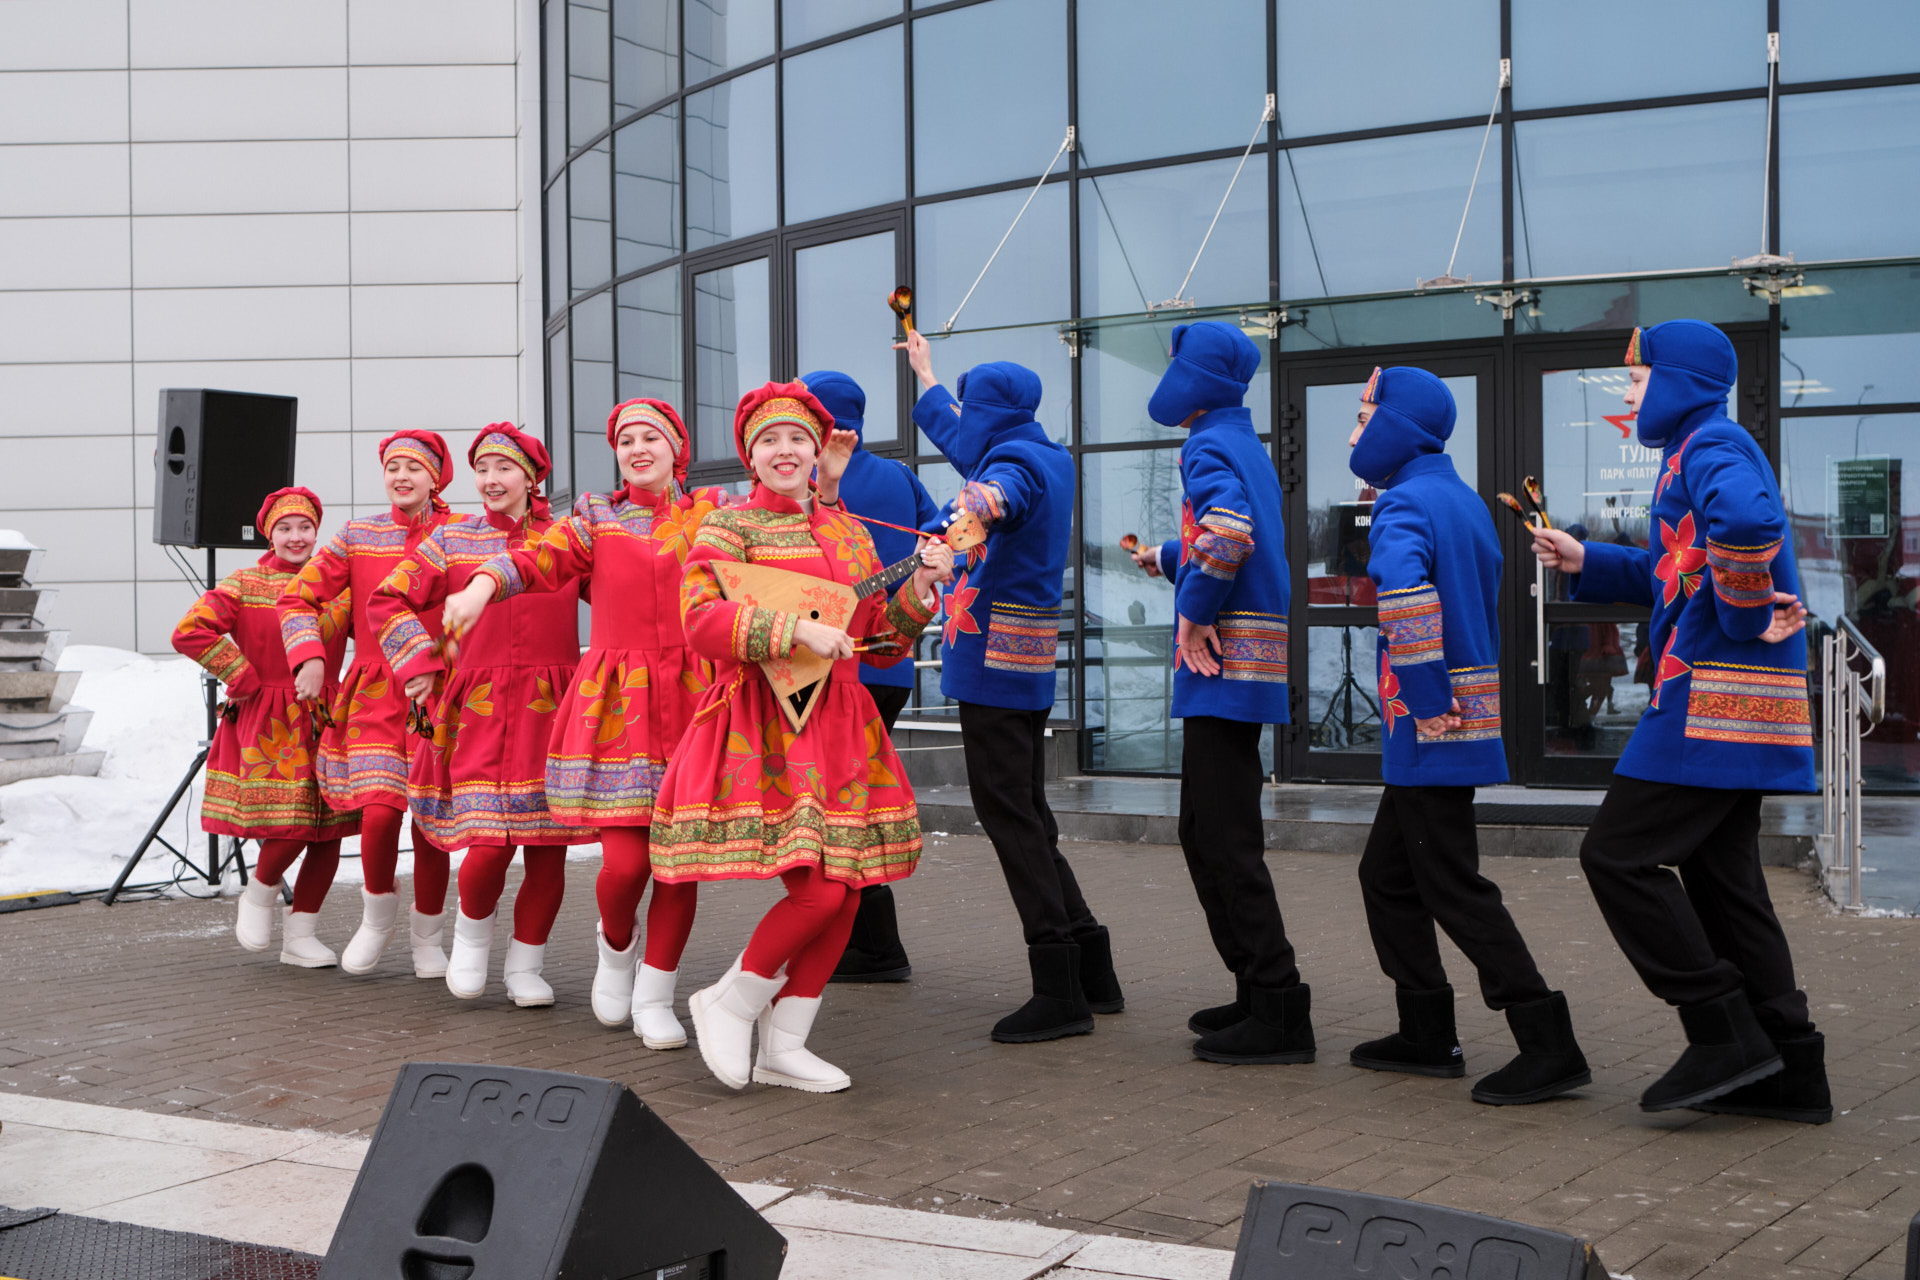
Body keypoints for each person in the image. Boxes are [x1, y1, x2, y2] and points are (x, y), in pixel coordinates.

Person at [1534, 320, 1824, 1121]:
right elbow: (1677, 571)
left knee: (1616, 858)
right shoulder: (1699, 446)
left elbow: (1749, 528)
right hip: (1738, 712)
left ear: (1679, 382)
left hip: (1707, 708)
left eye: (1636, 380)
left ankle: (1722, 1031)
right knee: (1727, 887)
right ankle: (1791, 1073)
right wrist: (1585, 558)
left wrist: (1743, 615)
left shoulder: (1709, 447)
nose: (1627, 396)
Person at [648, 381, 950, 1093]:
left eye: (797, 439)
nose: (785, 451)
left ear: (819, 450)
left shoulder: (847, 529)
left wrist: (921, 592)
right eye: (769, 441)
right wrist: (792, 629)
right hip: (766, 725)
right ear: (750, 456)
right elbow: (699, 621)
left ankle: (785, 1042)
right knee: (816, 891)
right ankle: (731, 999)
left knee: (848, 888)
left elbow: (873, 640)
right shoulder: (730, 527)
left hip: (843, 722)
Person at [440, 399, 727, 1046]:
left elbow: (770, 538)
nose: (637, 447)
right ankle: (615, 945)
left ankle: (656, 995)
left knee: (680, 866)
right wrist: (481, 586)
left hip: (694, 702)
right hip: (618, 708)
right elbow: (535, 559)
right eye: (625, 439)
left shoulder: (713, 512)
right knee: (625, 866)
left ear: (677, 447)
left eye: (650, 436)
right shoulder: (596, 518)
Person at [1347, 366, 1591, 1105]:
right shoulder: (1460, 499)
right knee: (1387, 877)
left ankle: (1548, 1043)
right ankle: (1424, 1030)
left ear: (1396, 426)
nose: (1354, 434)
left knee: (1454, 888)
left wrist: (1423, 697)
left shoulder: (1403, 505)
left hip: (1432, 722)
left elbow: (1406, 599)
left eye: (1362, 419)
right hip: (1462, 716)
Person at [898, 330, 1123, 1043]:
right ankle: (1091, 964)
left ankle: (1059, 988)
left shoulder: (1015, 465)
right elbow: (971, 451)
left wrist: (942, 536)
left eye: (967, 406)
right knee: (1027, 809)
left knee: (1009, 815)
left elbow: (991, 497)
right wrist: (927, 376)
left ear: (990, 411)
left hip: (993, 661)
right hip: (1022, 659)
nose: (961, 419)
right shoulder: (1045, 451)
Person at [1131, 321, 1311, 1064]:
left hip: (1222, 669)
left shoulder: (1205, 444)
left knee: (1224, 841)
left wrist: (1196, 613)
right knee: (1207, 833)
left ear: (1194, 375)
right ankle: (1254, 988)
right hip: (1246, 667)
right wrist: (1169, 557)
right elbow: (1238, 532)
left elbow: (1230, 534)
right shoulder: (1240, 440)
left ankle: (1277, 1005)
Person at [367, 425, 595, 1007]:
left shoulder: (567, 539)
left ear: (531, 476)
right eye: (483, 470)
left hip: (553, 707)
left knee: (548, 848)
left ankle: (526, 964)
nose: (492, 481)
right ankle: (470, 937)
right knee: (487, 843)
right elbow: (387, 599)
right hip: (476, 712)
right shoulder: (452, 538)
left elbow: (621, 594)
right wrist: (415, 663)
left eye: (504, 469)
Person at [278, 431, 457, 978]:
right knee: (379, 815)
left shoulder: (461, 533)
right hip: (377, 691)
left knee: (431, 824)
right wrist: (309, 657)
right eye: (392, 468)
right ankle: (377, 915)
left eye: (413, 468)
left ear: (435, 477)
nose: (401, 477)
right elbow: (297, 597)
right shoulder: (358, 534)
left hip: (441, 691)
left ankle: (428, 937)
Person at [173, 487, 358, 966]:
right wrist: (242, 674)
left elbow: (379, 631)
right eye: (285, 528)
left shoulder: (338, 584)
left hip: (327, 715)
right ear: (269, 534)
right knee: (293, 823)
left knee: (330, 831)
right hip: (271, 717)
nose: (296, 537)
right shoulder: (244, 583)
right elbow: (190, 630)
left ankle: (301, 936)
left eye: (305, 528)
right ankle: (258, 892)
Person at [802, 369, 940, 985]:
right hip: (891, 659)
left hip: (826, 665)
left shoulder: (807, 480)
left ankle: (872, 945)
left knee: (829, 804)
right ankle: (868, 942)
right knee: (852, 796)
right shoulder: (901, 475)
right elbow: (939, 541)